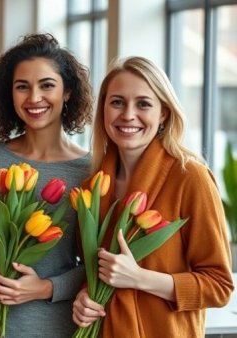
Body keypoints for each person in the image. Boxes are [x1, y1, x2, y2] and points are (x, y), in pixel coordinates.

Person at [71, 56, 234, 337]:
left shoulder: (190, 178)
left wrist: (139, 278)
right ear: (104, 111)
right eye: (117, 102)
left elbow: (219, 287)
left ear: (164, 114)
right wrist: (84, 298)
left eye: (143, 104)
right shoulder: (93, 187)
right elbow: (95, 272)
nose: (128, 115)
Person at [0, 33, 93, 337]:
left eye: (47, 85)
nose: (34, 98)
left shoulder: (89, 170)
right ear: (9, 94)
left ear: (67, 92)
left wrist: (45, 288)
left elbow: (96, 264)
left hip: (59, 325)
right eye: (22, 86)